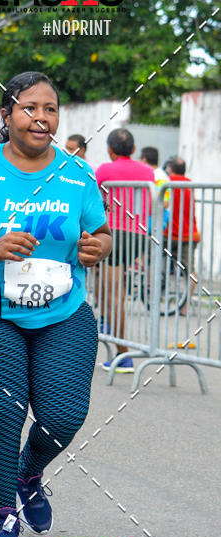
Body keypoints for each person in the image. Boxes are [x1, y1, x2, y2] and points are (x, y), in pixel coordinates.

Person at [0, 71, 111, 537]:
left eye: (50, 109)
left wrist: (97, 248)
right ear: (7, 115)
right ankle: (2, 510)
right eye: (29, 107)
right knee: (3, 412)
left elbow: (101, 233)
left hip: (62, 312)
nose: (40, 117)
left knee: (64, 416)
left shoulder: (77, 174)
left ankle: (28, 475)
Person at [95, 129, 154, 373]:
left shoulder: (104, 171)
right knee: (106, 288)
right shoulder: (147, 171)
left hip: (115, 233)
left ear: (110, 150)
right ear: (133, 149)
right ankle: (110, 328)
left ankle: (123, 354)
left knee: (114, 294)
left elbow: (93, 200)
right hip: (139, 234)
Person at [167, 158, 200, 315]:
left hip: (168, 233)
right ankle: (185, 305)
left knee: (151, 260)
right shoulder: (190, 184)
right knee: (190, 271)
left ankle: (151, 294)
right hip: (189, 234)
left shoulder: (167, 182)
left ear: (170, 169)